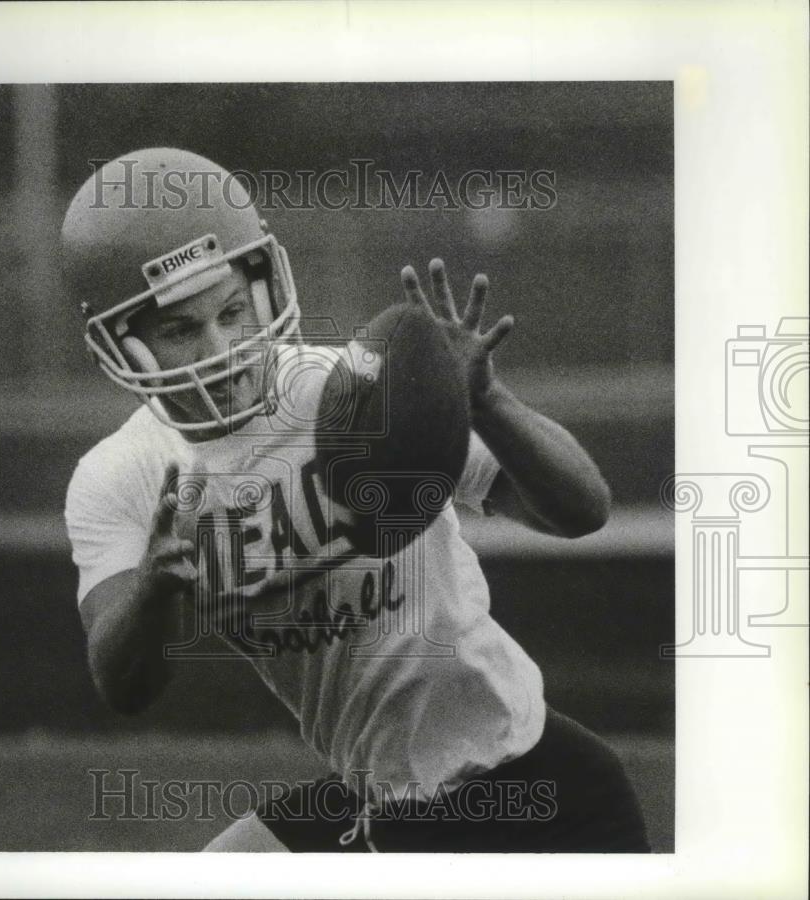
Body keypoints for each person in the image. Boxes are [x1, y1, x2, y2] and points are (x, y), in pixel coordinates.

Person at [62, 147, 650, 852]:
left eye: (231, 311)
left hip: (534, 781)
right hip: (381, 793)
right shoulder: (120, 476)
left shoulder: (349, 394)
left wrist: (489, 402)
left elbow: (582, 510)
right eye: (182, 330)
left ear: (264, 286)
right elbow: (122, 686)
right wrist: (154, 594)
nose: (222, 346)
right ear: (127, 347)